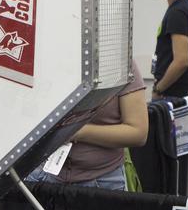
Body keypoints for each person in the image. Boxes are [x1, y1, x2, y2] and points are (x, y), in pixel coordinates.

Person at [30, 58, 147, 190]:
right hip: (41, 174)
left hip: (103, 181)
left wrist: (78, 132)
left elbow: (138, 132)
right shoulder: (45, 57)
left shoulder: (119, 61)